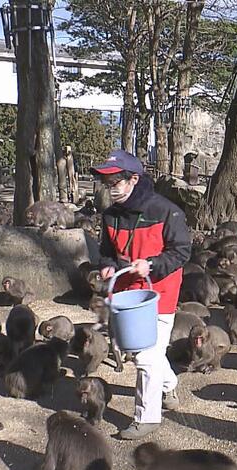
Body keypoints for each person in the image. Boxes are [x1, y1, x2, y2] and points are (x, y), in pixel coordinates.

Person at [91, 149, 191, 440]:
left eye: (115, 183)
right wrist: (108, 267)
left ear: (134, 179)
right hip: (127, 293)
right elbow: (107, 252)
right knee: (141, 350)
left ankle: (146, 417)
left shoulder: (166, 211)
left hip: (159, 293)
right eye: (106, 185)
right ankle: (168, 383)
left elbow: (182, 251)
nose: (110, 190)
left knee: (145, 356)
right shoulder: (110, 215)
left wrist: (152, 265)